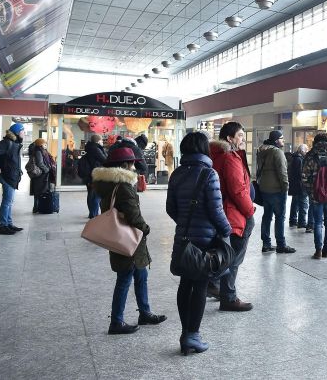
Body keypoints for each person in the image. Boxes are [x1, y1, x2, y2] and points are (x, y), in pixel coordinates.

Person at [167, 131, 232, 355]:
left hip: (184, 239)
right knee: (201, 285)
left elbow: (171, 208)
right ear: (204, 149)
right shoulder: (208, 174)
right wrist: (226, 230)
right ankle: (192, 336)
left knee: (186, 283)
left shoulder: (176, 174)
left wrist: (186, 222)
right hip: (205, 242)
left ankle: (186, 333)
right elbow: (216, 210)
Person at [92, 146, 167, 334]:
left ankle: (145, 312)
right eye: (132, 163)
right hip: (129, 239)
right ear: (126, 165)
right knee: (125, 278)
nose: (134, 166)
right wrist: (145, 228)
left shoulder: (108, 183)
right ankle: (116, 321)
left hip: (121, 237)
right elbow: (133, 216)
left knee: (141, 275)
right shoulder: (123, 186)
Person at [207, 122, 255, 312]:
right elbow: (238, 190)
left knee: (225, 252)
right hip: (235, 213)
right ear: (229, 138)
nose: (243, 139)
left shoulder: (215, 155)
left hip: (222, 211)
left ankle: (214, 283)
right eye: (241, 135)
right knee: (233, 257)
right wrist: (250, 211)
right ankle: (228, 296)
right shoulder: (230, 158)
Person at [256, 130, 294, 253]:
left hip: (264, 188)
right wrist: (286, 187)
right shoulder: (277, 152)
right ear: (276, 140)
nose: (283, 140)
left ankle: (266, 244)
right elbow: (282, 172)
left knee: (267, 216)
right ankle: (281, 245)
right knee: (279, 217)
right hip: (277, 189)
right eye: (282, 138)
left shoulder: (262, 151)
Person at [0, 122, 26, 235]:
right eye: (23, 131)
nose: (24, 133)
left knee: (9, 201)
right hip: (7, 176)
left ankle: (8, 223)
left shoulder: (15, 143)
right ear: (18, 132)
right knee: (7, 202)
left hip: (12, 176)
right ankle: (3, 226)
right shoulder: (7, 143)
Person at [81, 134, 107, 218]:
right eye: (102, 141)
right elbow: (105, 160)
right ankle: (94, 215)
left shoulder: (90, 147)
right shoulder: (96, 149)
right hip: (96, 174)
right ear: (98, 141)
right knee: (97, 195)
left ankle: (92, 213)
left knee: (91, 194)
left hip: (90, 174)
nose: (103, 142)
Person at [28, 139, 53, 213]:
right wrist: (47, 169)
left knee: (39, 191)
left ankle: (38, 207)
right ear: (40, 144)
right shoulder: (38, 151)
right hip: (40, 174)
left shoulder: (41, 150)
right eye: (44, 143)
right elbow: (40, 163)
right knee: (39, 191)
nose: (45, 145)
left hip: (40, 174)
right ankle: (37, 207)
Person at [288, 144, 309, 228]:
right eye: (306, 150)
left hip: (295, 185)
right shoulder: (299, 159)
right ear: (302, 151)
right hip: (300, 185)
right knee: (303, 204)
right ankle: (302, 222)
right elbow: (300, 173)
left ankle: (293, 221)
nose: (307, 152)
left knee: (295, 203)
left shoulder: (294, 157)